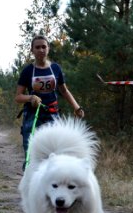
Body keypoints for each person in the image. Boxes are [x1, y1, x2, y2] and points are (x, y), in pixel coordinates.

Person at [15, 34, 84, 165]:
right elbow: (18, 97)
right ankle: (29, 177)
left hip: (52, 113)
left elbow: (64, 90)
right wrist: (30, 97)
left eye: (43, 47)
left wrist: (77, 107)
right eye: (37, 47)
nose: (41, 50)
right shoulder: (28, 71)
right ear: (32, 50)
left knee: (55, 152)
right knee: (30, 150)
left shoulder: (56, 68)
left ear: (48, 48)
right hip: (32, 115)